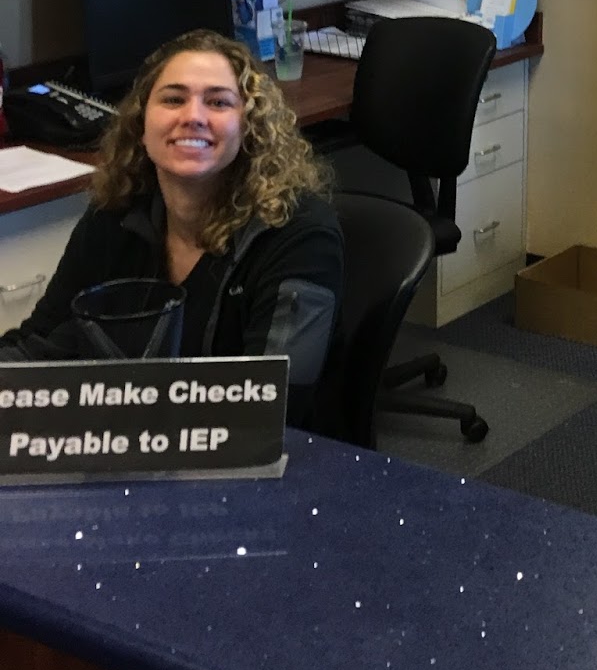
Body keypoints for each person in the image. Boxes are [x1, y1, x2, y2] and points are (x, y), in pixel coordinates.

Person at [0, 30, 342, 427]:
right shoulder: (117, 214)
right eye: (173, 99)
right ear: (141, 124)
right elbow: (40, 347)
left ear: (249, 126)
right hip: (133, 433)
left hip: (266, 453)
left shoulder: (299, 236)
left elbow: (272, 405)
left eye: (218, 102)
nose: (193, 116)